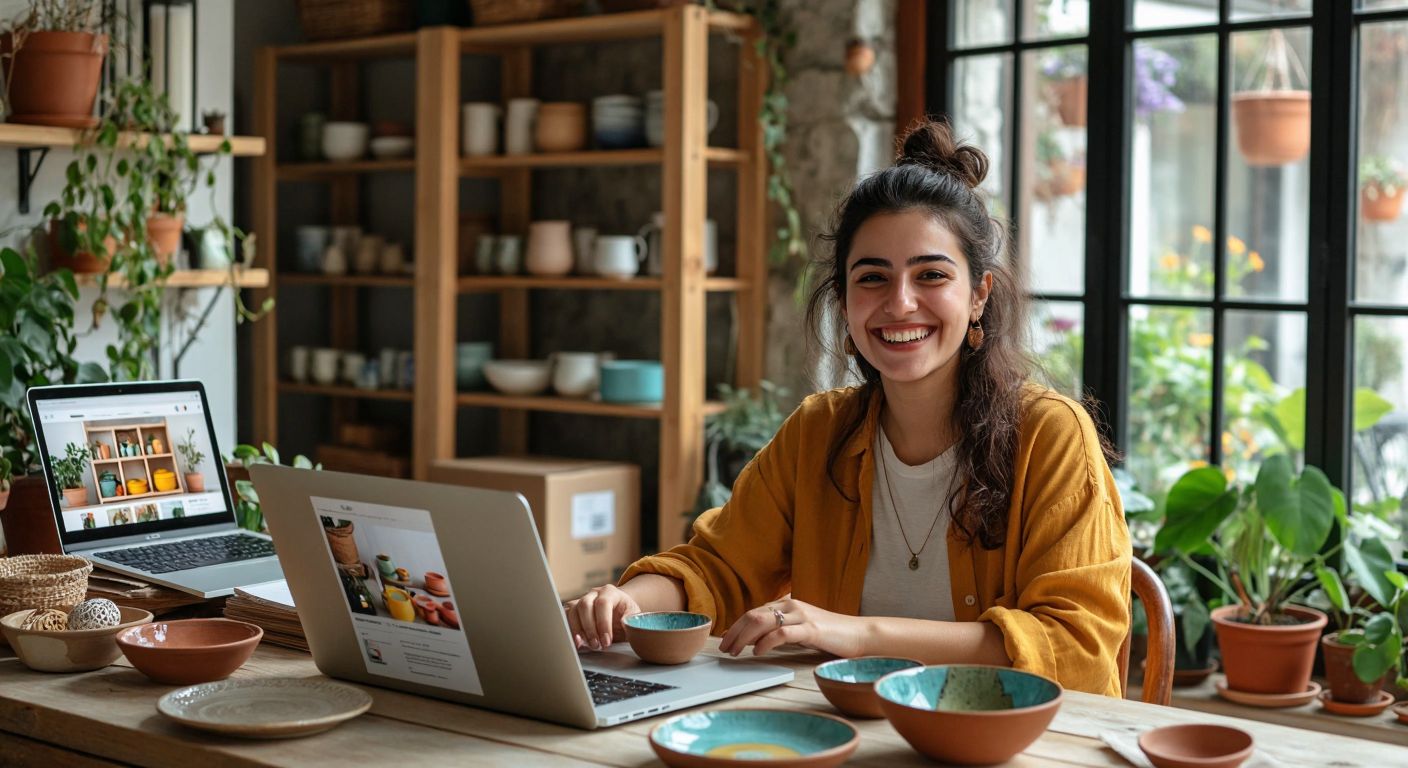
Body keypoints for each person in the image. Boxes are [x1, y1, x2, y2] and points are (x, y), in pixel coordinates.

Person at [565, 118, 1132, 697]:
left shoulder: (1050, 434)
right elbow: (716, 568)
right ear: (844, 298)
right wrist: (624, 603)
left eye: (931, 274)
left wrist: (858, 635)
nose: (900, 303)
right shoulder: (818, 431)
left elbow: (1073, 646)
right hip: (848, 735)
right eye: (873, 278)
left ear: (979, 293)